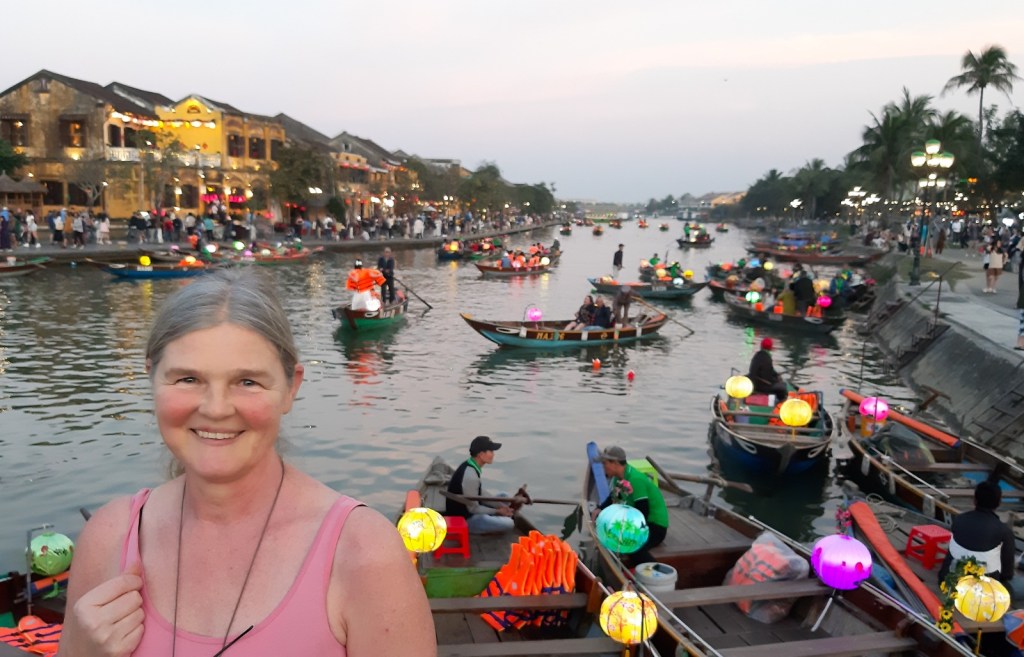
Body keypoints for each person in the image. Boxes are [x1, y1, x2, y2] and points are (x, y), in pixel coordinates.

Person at [58, 269, 435, 657]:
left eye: (248, 382)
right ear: (151, 377)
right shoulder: (109, 538)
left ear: (291, 387)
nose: (216, 408)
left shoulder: (365, 554)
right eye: (188, 379)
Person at [938, 479, 1018, 594]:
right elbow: (1007, 573)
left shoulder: (959, 520)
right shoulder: (1004, 531)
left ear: (974, 500)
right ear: (999, 503)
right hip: (979, 592)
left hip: (947, 581)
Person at [596, 446, 668, 566]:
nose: (603, 467)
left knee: (631, 546)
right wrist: (599, 509)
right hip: (641, 522)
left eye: (605, 463)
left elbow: (643, 512)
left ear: (615, 463)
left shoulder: (635, 479)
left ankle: (657, 572)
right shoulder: (617, 479)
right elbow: (613, 498)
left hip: (655, 526)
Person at [445, 436, 515, 534]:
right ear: (481, 455)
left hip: (471, 507)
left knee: (504, 497)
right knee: (509, 523)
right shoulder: (470, 476)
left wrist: (500, 505)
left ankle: (501, 513)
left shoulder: (471, 465)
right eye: (491, 451)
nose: (493, 454)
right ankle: (498, 517)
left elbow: (480, 493)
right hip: (465, 519)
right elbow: (473, 509)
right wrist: (497, 511)